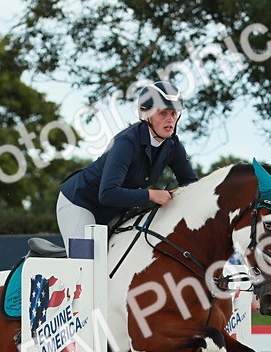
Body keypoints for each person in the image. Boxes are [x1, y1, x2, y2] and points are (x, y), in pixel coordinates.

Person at [56, 81, 198, 247]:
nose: (170, 120)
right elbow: (107, 193)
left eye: (174, 113)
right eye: (163, 113)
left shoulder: (173, 145)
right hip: (81, 203)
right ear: (145, 114)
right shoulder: (125, 143)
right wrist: (151, 195)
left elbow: (191, 184)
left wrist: (180, 194)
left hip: (114, 211)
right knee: (87, 261)